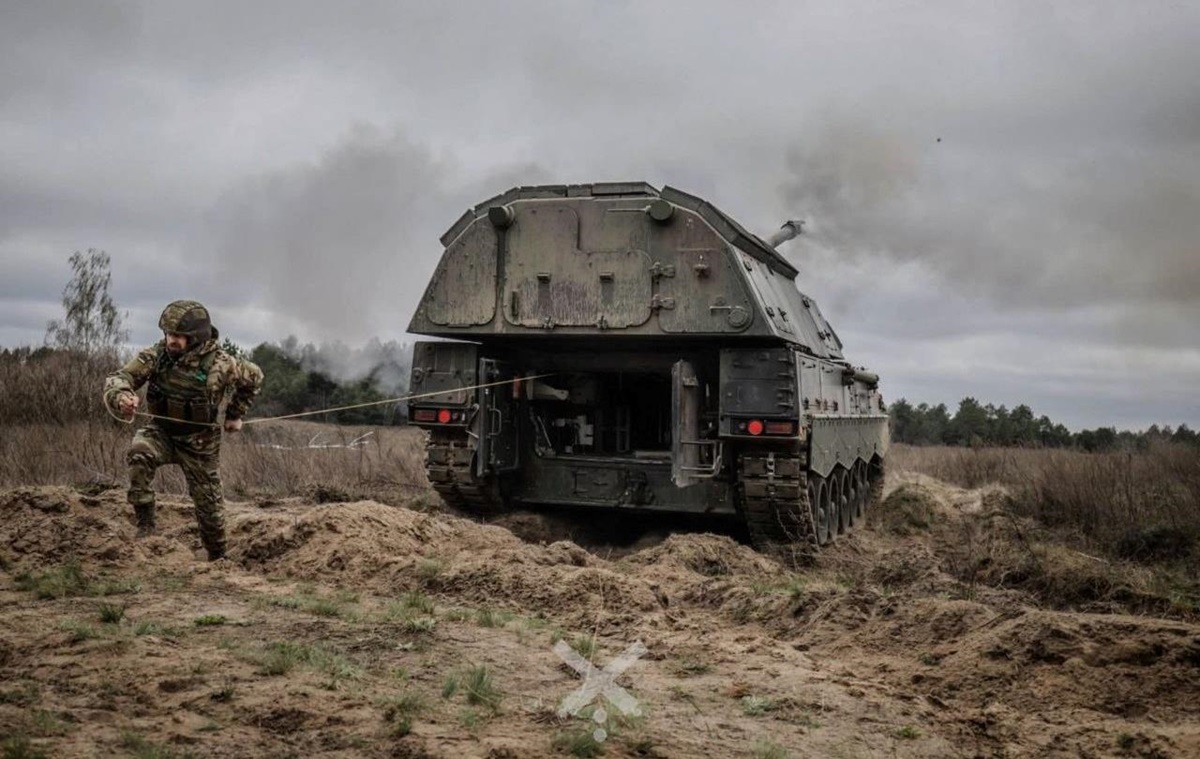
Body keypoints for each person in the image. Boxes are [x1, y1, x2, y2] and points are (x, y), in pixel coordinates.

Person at [103, 300, 264, 560]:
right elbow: (120, 377)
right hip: (161, 432)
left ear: (195, 337)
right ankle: (146, 526)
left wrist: (235, 414)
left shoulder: (222, 364)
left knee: (211, 512)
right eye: (168, 333)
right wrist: (122, 397)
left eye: (178, 336)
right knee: (139, 453)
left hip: (200, 443)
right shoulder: (157, 356)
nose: (171, 340)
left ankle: (217, 557)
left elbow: (254, 377)